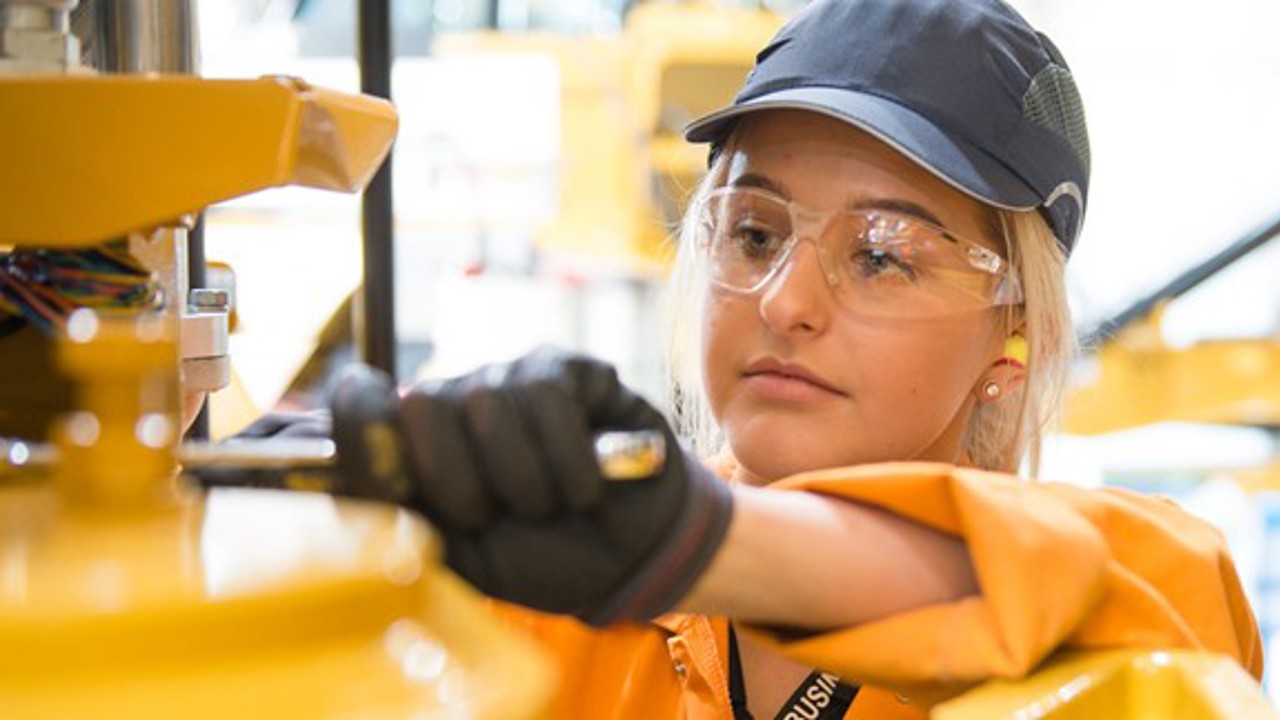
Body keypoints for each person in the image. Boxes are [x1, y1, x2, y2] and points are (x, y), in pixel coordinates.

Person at [308, 1, 1264, 717]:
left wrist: (694, 543)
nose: (785, 301)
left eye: (883, 253)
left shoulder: (1149, 599)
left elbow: (1103, 597)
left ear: (1018, 337)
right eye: (756, 234)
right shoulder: (551, 600)